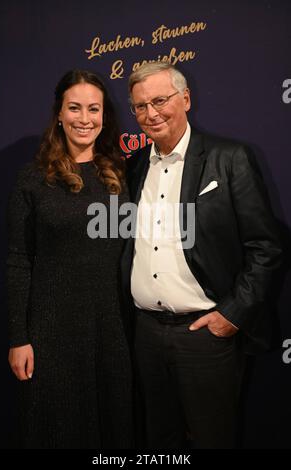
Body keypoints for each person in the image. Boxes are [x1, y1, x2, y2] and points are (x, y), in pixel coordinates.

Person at [120, 62, 282, 449]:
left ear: (186, 99)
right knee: (159, 440)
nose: (151, 113)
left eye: (160, 100)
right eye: (140, 106)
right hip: (145, 334)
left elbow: (266, 247)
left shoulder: (229, 158)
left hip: (205, 337)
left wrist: (231, 316)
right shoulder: (134, 166)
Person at [7, 69, 132, 449]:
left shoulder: (120, 174)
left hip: (114, 329)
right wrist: (18, 338)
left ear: (104, 116)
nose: (84, 118)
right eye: (74, 108)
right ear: (59, 114)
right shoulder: (33, 178)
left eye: (93, 109)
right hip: (51, 332)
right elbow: (17, 260)